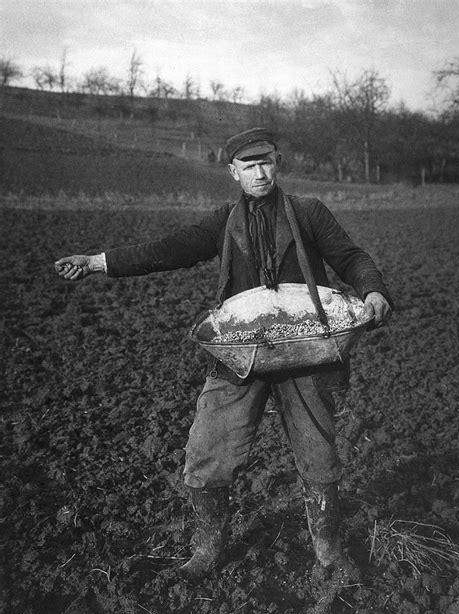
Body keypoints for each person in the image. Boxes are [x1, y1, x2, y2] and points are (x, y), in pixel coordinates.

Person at [55, 127, 392, 584]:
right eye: (249, 166)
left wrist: (372, 290)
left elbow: (351, 257)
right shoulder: (222, 223)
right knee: (209, 449)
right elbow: (166, 251)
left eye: (266, 163)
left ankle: (329, 551)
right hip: (240, 354)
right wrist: (97, 262)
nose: (260, 173)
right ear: (233, 172)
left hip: (307, 347)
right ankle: (208, 550)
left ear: (278, 164)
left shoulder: (309, 213)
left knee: (318, 454)